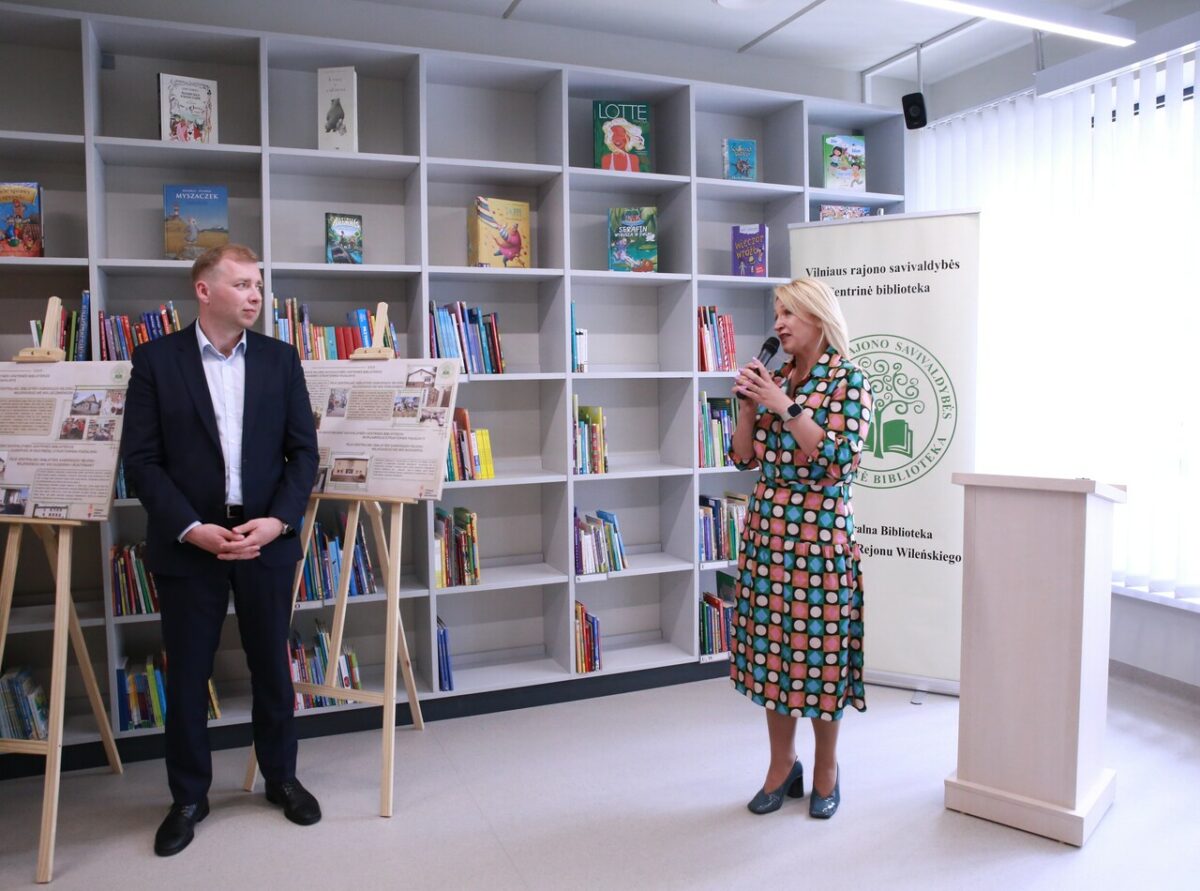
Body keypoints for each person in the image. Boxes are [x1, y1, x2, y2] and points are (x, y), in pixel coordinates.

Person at [122, 244, 320, 856]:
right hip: (191, 544)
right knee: (187, 677)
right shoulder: (156, 360)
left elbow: (303, 454)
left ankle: (281, 779)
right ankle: (188, 797)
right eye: (242, 284)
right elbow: (142, 461)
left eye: (258, 284)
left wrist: (279, 522)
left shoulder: (281, 360)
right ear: (204, 291)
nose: (255, 294)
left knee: (272, 669)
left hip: (264, 540)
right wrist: (190, 527)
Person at [727, 277, 873, 820]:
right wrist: (748, 409)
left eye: (789, 313)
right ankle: (781, 765)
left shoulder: (849, 380)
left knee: (821, 656)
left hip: (821, 539)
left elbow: (837, 461)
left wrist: (783, 405)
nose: (779, 323)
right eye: (777, 313)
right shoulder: (780, 377)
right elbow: (744, 459)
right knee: (772, 656)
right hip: (767, 535)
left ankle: (827, 770)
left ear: (818, 317)